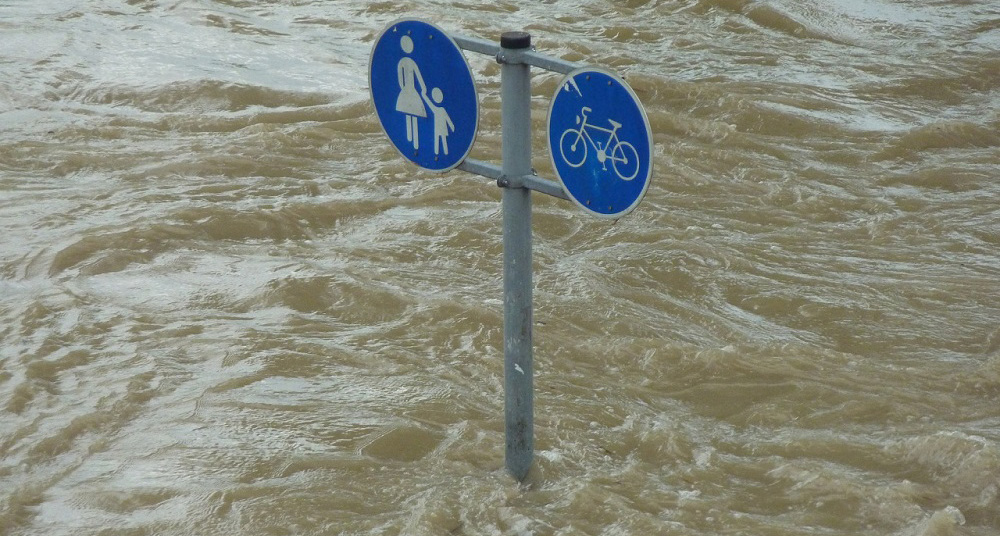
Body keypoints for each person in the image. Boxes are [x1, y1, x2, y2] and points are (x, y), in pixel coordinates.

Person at [395, 35, 427, 150]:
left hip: (407, 90)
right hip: (410, 90)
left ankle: (413, 141)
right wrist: (422, 88)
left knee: (411, 113)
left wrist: (404, 88)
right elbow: (417, 77)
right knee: (412, 113)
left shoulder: (403, 62)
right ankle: (413, 142)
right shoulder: (407, 62)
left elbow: (402, 79)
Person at [423, 87, 454, 156]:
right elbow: (429, 103)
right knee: (438, 140)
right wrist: (424, 95)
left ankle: (444, 153)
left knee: (442, 140)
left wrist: (451, 126)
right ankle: (437, 153)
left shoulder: (440, 109)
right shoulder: (437, 109)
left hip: (442, 127)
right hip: (438, 127)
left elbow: (447, 118)